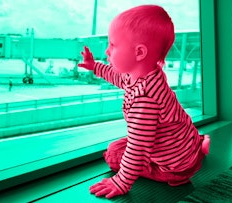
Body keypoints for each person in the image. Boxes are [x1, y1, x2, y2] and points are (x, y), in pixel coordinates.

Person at [78, 5, 210, 199]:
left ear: (139, 53)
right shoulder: (148, 76)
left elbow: (137, 147)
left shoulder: (146, 100)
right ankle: (196, 150)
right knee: (123, 147)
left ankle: (181, 172)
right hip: (183, 142)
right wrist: (94, 66)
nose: (107, 51)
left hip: (172, 165)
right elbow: (116, 76)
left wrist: (121, 181)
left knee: (114, 155)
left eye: (113, 45)